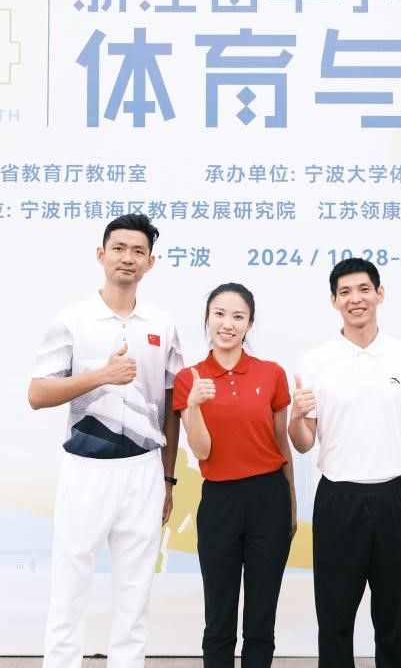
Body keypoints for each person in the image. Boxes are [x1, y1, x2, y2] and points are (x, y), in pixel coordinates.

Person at [28, 214, 183, 668]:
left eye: (138, 251)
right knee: (69, 588)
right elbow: (37, 394)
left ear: (150, 262)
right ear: (101, 255)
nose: (127, 258)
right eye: (118, 248)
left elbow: (172, 406)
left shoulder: (163, 324)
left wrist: (168, 479)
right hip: (86, 469)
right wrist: (101, 376)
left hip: (144, 471)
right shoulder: (72, 320)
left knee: (135, 593)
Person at [288, 258, 401, 668]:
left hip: (394, 499)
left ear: (379, 294)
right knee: (334, 618)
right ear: (334, 301)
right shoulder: (316, 361)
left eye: (364, 289)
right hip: (338, 499)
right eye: (345, 292)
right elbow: (303, 442)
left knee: (393, 616)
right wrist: (296, 417)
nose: (355, 299)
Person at [173, 283, 297, 668]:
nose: (228, 324)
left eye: (238, 316)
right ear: (207, 319)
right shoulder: (189, 378)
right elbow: (202, 451)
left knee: (261, 617)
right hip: (220, 501)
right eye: (220, 314)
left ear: (250, 324)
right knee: (219, 617)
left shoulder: (272, 374)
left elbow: (281, 443)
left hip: (270, 498)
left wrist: (291, 505)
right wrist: (194, 406)